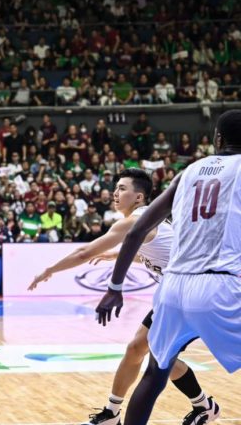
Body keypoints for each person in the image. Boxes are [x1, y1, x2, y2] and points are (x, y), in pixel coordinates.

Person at [29, 169, 219, 425]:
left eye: (122, 188)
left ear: (139, 197)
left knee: (157, 360)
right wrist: (116, 255)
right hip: (178, 297)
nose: (115, 193)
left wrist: (49, 270)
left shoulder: (134, 221)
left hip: (192, 297)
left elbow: (84, 252)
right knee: (137, 350)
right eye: (116, 188)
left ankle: (200, 407)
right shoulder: (152, 220)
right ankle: (114, 413)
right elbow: (159, 253)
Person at [96, 111, 241, 425]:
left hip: (174, 288)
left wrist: (114, 287)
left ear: (218, 139)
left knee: (154, 372)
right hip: (222, 285)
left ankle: (201, 407)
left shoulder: (189, 171)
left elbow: (135, 232)